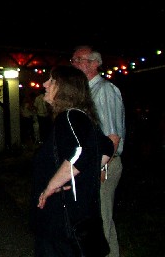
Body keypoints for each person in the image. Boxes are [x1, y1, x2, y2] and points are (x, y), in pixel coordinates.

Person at [32, 65, 114, 257]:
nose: (44, 84)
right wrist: (84, 174)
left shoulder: (69, 116)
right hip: (69, 212)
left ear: (64, 88)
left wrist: (52, 185)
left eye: (51, 81)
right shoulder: (80, 116)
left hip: (63, 216)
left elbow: (82, 151)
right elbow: (105, 147)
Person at [71, 46, 125, 257]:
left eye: (78, 59)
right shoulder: (88, 91)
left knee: (102, 219)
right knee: (96, 219)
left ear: (94, 63)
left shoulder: (104, 90)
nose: (73, 63)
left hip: (105, 163)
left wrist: (102, 165)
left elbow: (112, 135)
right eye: (73, 59)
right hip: (95, 162)